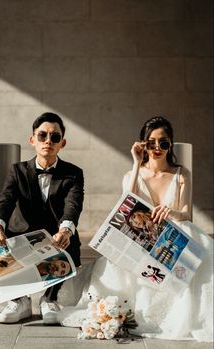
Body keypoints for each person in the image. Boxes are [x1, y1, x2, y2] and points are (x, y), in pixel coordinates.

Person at [53, 116, 213, 343]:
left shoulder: (181, 174)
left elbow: (186, 213)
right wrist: (137, 163)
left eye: (164, 143)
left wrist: (171, 212)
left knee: (201, 250)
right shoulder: (132, 175)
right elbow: (126, 202)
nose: (157, 148)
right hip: (142, 241)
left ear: (171, 145)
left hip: (171, 233)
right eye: (151, 143)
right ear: (143, 145)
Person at [0, 112, 84, 324]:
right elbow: (5, 199)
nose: (48, 141)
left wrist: (66, 229)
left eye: (55, 137)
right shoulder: (17, 170)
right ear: (32, 140)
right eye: (42, 136)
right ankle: (18, 300)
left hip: (54, 237)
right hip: (22, 234)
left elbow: (73, 205)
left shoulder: (74, 173)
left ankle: (49, 299)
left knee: (68, 238)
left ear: (62, 143)